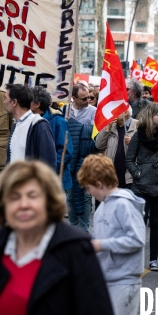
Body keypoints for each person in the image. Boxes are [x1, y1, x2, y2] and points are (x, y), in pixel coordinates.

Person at [0, 161, 114, 315]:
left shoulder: (76, 248)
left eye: (33, 196)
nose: (23, 204)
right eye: (14, 197)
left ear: (49, 202)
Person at [78, 154, 145, 315]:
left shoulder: (124, 204)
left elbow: (137, 239)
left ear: (98, 184)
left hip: (124, 280)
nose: (88, 192)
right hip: (107, 278)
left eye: (88, 187)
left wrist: (101, 245)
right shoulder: (102, 207)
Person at [125, 103, 158, 272]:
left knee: (157, 223)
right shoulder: (139, 134)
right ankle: (136, 259)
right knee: (140, 222)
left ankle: (154, 259)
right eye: (157, 114)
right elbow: (129, 159)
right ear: (149, 116)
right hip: (141, 185)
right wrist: (138, 174)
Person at [66, 84, 98, 231]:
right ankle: (73, 229)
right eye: (84, 99)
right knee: (70, 195)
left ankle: (84, 229)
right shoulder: (66, 110)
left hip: (85, 161)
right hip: (69, 160)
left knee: (85, 195)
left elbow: (93, 136)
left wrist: (74, 127)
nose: (88, 101)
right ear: (73, 98)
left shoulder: (93, 111)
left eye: (90, 98)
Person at [30, 86, 73, 190]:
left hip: (54, 180)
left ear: (37, 104)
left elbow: (65, 152)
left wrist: (46, 172)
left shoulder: (58, 121)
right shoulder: (28, 120)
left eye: (29, 101)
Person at [4, 84, 56, 168]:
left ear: (14, 102)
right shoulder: (15, 125)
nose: (4, 102)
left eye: (5, 98)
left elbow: (48, 163)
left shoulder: (39, 125)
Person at [95, 107, 138, 189]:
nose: (112, 114)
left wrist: (133, 143)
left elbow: (146, 147)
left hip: (130, 177)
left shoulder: (138, 125)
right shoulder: (111, 126)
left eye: (115, 111)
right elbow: (99, 145)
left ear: (125, 113)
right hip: (112, 176)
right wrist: (107, 129)